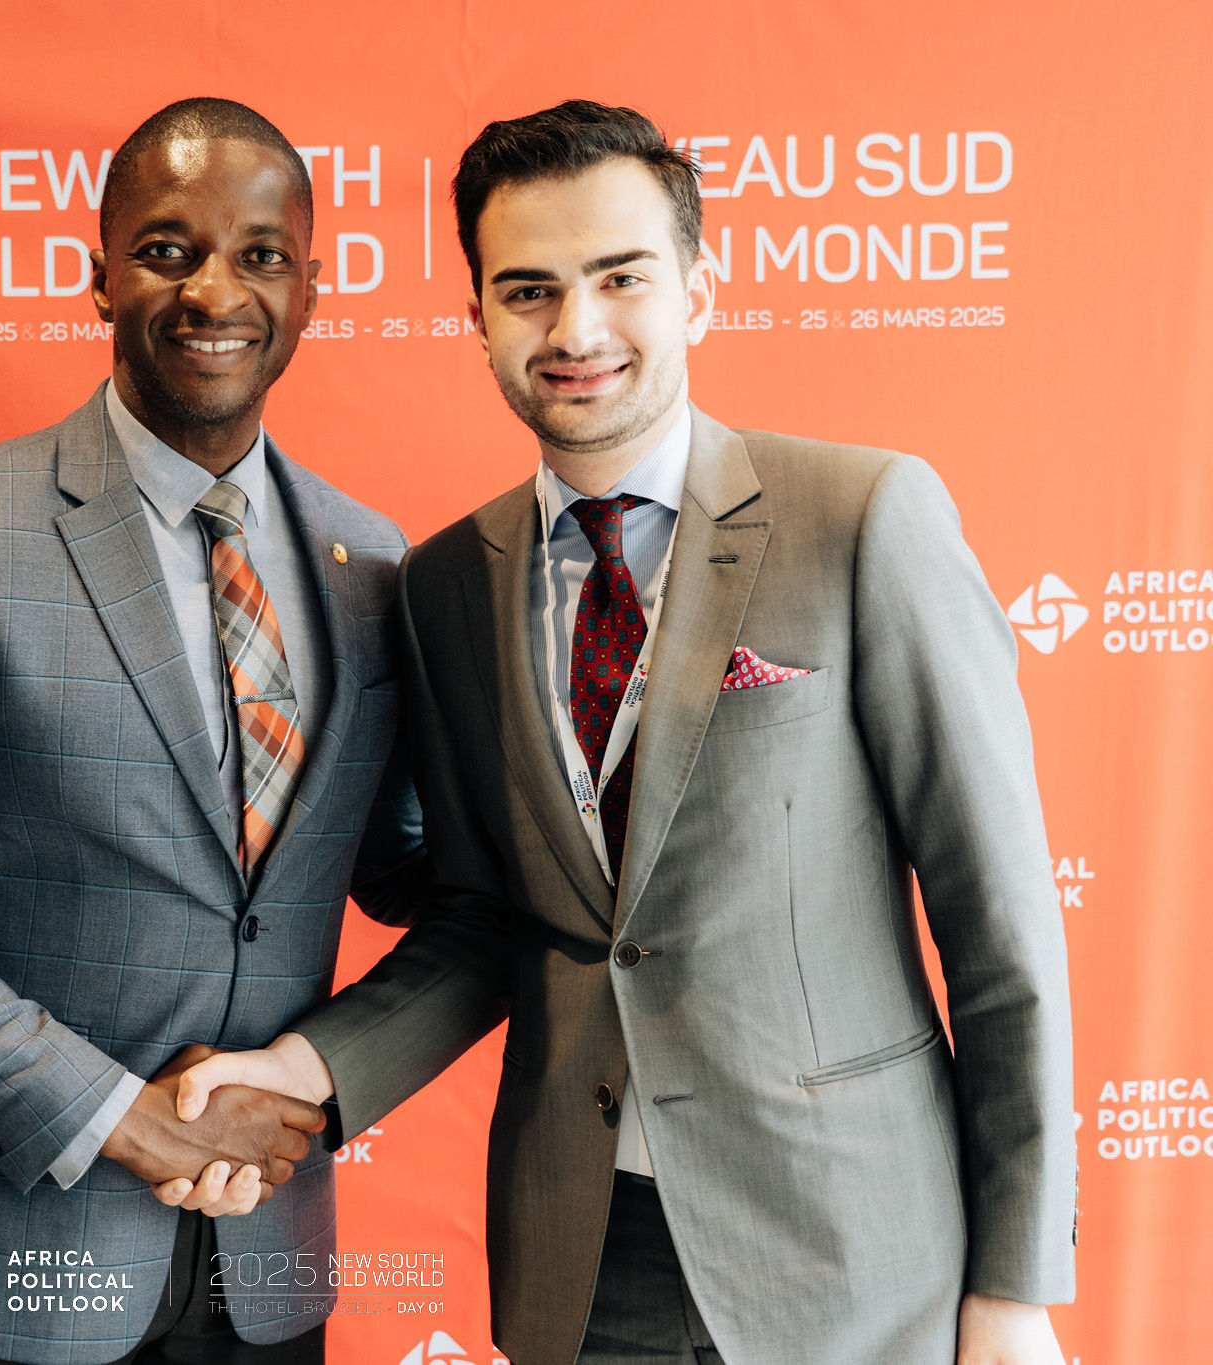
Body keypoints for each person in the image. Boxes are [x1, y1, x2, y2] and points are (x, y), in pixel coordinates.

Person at [169, 101, 1075, 1365]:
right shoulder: (443, 585)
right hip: (584, 1258)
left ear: (697, 289)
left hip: (856, 1255)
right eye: (527, 290)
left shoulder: (861, 516)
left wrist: (1016, 1288)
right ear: (477, 318)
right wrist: (308, 1071)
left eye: (619, 277)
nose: (575, 329)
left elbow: (999, 925)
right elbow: (483, 919)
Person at [0, 97, 430, 1365]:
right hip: (2, 1254)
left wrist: (323, 1070)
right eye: (166, 251)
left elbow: (412, 876)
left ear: (310, 288)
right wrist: (128, 1118)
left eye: (259, 255)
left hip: (264, 1266)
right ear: (98, 277)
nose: (213, 293)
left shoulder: (372, 562)